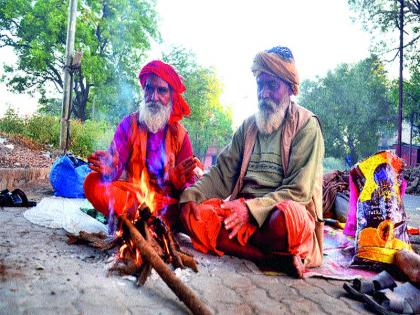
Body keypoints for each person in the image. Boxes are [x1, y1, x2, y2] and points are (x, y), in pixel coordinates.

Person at [179, 46, 325, 278]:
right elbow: (221, 174)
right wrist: (191, 197)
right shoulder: (248, 128)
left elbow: (299, 191)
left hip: (280, 215)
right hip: (242, 216)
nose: (264, 93)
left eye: (272, 85)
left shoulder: (306, 125)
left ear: (290, 87)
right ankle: (269, 258)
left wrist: (251, 209)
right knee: (194, 213)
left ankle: (252, 249)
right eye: (260, 85)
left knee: (284, 219)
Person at [84, 60, 201, 229]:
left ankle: (146, 222)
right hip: (134, 199)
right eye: (149, 89)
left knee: (196, 209)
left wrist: (176, 182)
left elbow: (189, 185)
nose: (154, 97)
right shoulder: (128, 125)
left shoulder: (181, 135)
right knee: (92, 183)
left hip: (166, 205)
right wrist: (110, 168)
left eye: (161, 90)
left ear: (171, 96)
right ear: (144, 90)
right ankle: (149, 222)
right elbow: (115, 165)